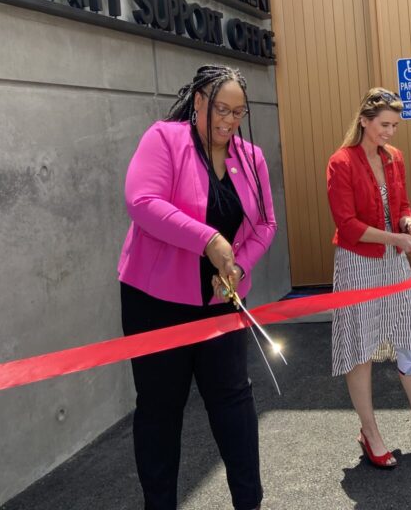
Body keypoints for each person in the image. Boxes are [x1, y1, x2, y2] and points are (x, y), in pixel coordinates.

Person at [118, 65, 275, 510]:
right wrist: (207, 239)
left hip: (221, 302)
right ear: (199, 102)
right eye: (220, 109)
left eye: (239, 112)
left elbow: (266, 223)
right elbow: (142, 202)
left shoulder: (251, 157)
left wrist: (239, 267)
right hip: (156, 303)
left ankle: (250, 502)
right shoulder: (165, 139)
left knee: (234, 403)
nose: (228, 121)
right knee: (160, 410)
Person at [326, 88, 411, 468]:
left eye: (395, 125)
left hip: (393, 259)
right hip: (357, 262)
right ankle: (370, 431)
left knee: (410, 340)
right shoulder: (341, 162)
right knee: (361, 348)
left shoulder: (394, 158)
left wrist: (408, 223)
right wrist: (394, 237)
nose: (390, 132)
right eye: (384, 125)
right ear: (363, 121)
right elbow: (346, 225)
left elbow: (400, 206)